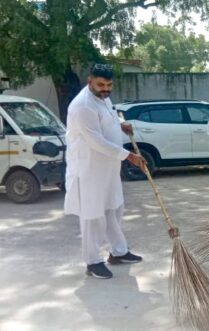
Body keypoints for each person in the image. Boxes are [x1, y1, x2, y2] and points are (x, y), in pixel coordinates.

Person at [64, 63, 147, 279]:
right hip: (89, 169)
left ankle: (118, 252)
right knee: (92, 216)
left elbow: (109, 114)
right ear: (89, 80)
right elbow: (96, 141)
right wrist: (129, 155)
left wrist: (121, 124)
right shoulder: (83, 106)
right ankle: (92, 262)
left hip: (109, 167)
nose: (106, 89)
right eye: (101, 84)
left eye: (109, 85)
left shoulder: (103, 98)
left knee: (114, 208)